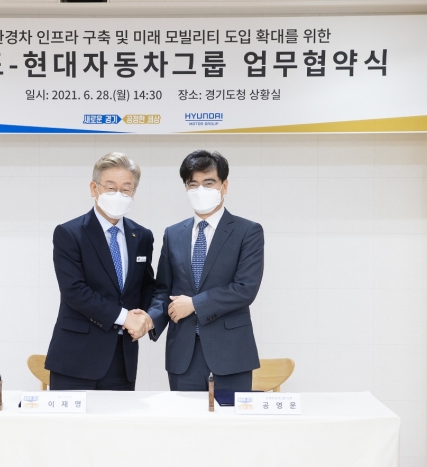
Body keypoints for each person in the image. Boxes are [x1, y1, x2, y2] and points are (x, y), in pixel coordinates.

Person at [142, 150, 264, 392]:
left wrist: (195, 304)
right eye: (193, 184)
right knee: (185, 417)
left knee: (230, 417)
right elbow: (163, 290)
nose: (200, 190)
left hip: (231, 352)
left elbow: (245, 289)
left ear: (224, 186)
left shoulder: (247, 231)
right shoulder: (173, 234)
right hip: (183, 354)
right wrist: (149, 320)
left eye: (208, 183)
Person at [45, 152, 155, 391]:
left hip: (122, 357)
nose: (119, 194)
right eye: (111, 187)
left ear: (134, 192)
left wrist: (146, 317)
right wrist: (126, 317)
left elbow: (146, 285)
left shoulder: (142, 236)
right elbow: (74, 291)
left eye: (126, 189)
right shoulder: (69, 233)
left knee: (119, 418)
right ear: (94, 188)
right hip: (76, 358)